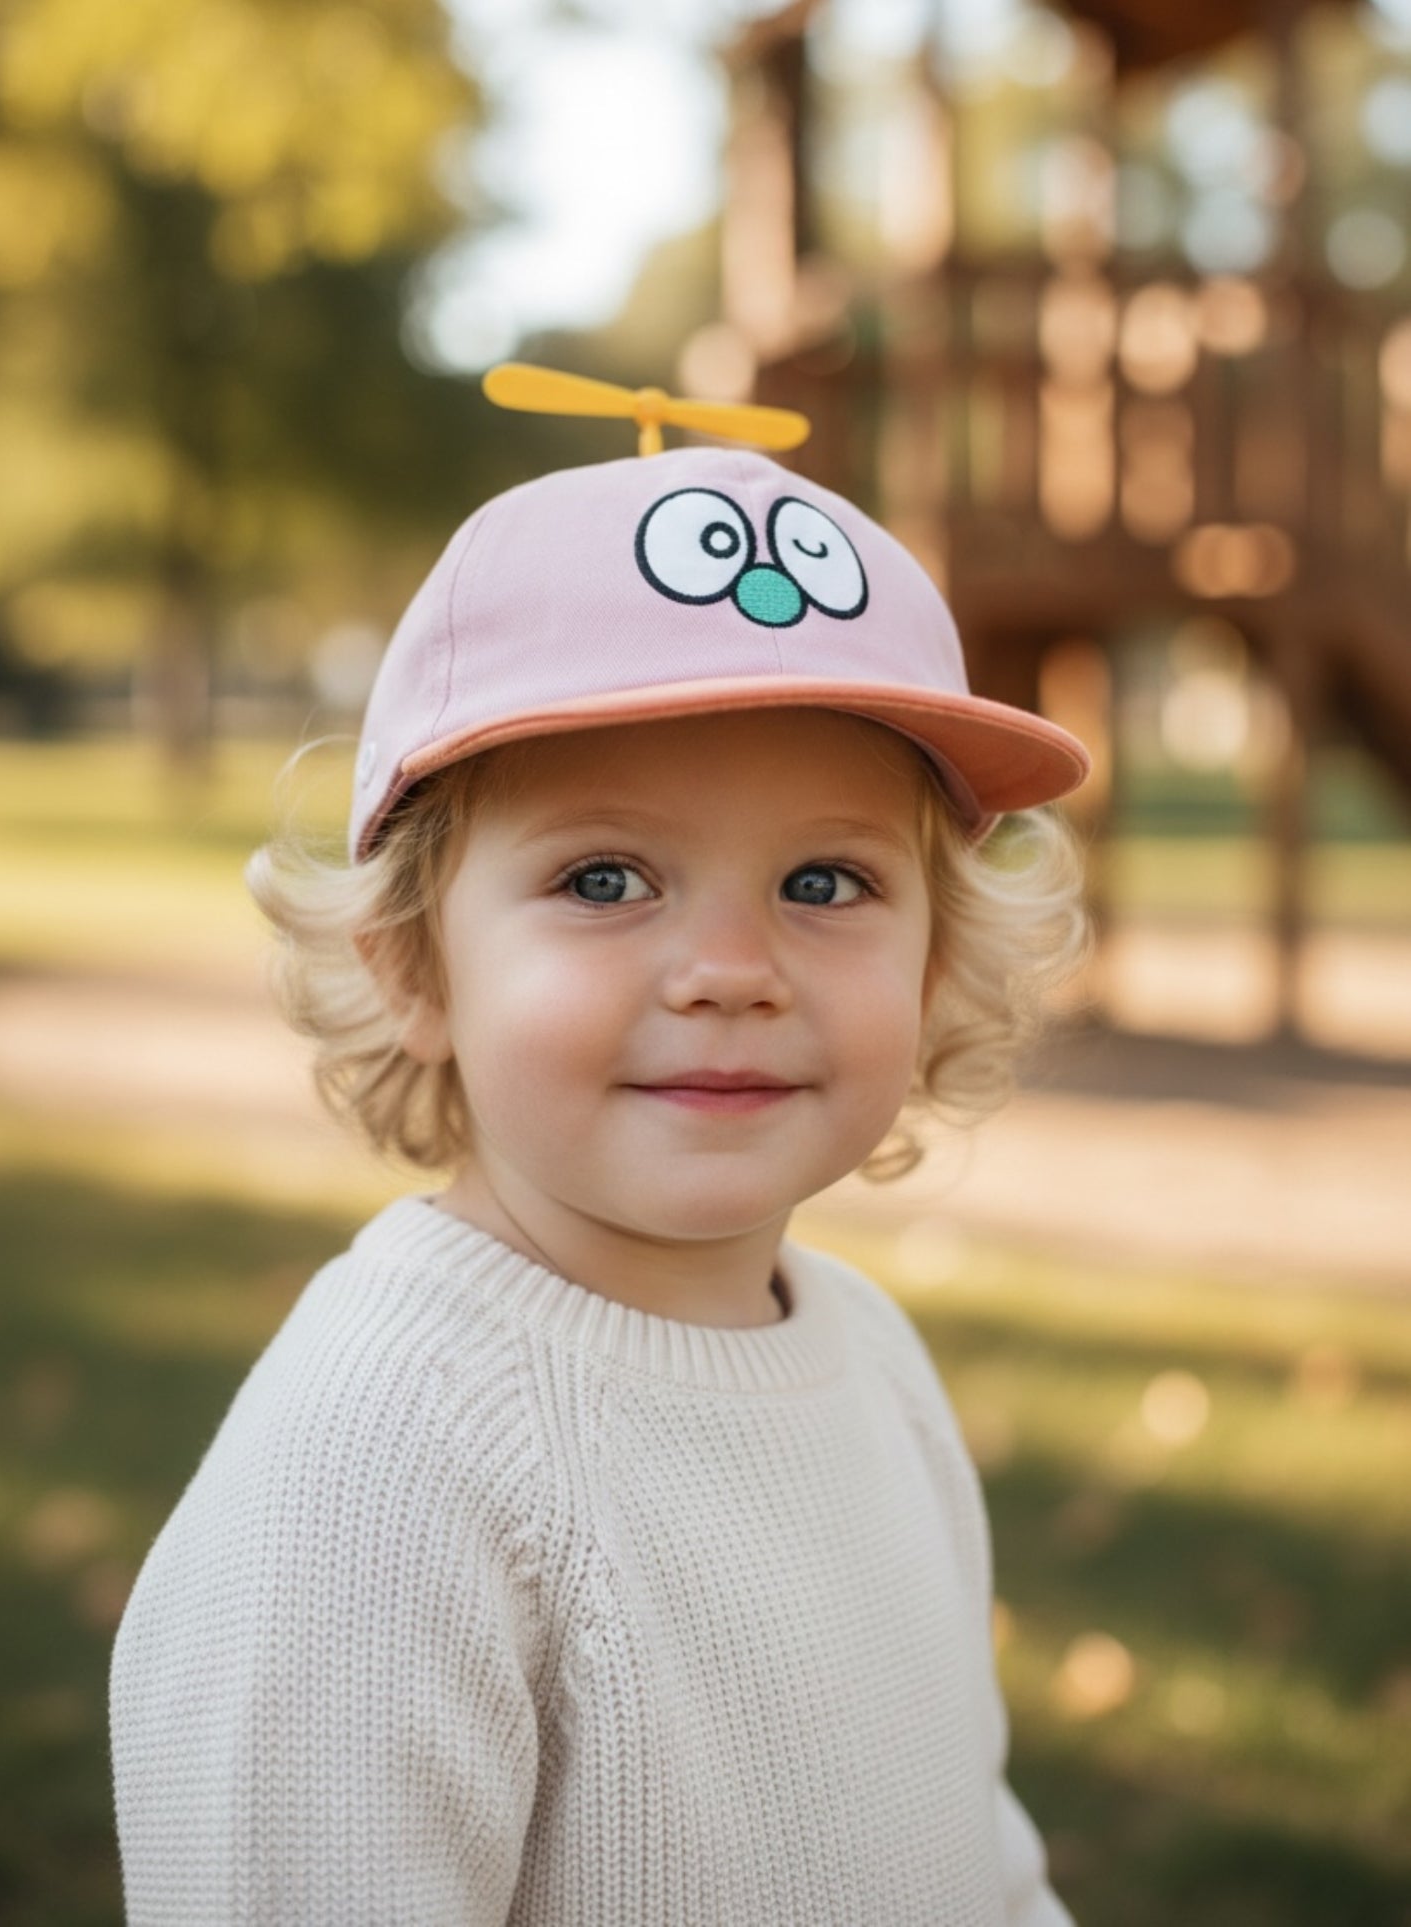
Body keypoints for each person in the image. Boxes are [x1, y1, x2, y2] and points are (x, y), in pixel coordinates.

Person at [109, 375, 1092, 1925]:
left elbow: (972, 1850)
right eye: (607, 875)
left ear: (937, 960)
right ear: (414, 967)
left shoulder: (871, 1361)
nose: (729, 966)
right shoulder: (379, 1469)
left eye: (826, 884)